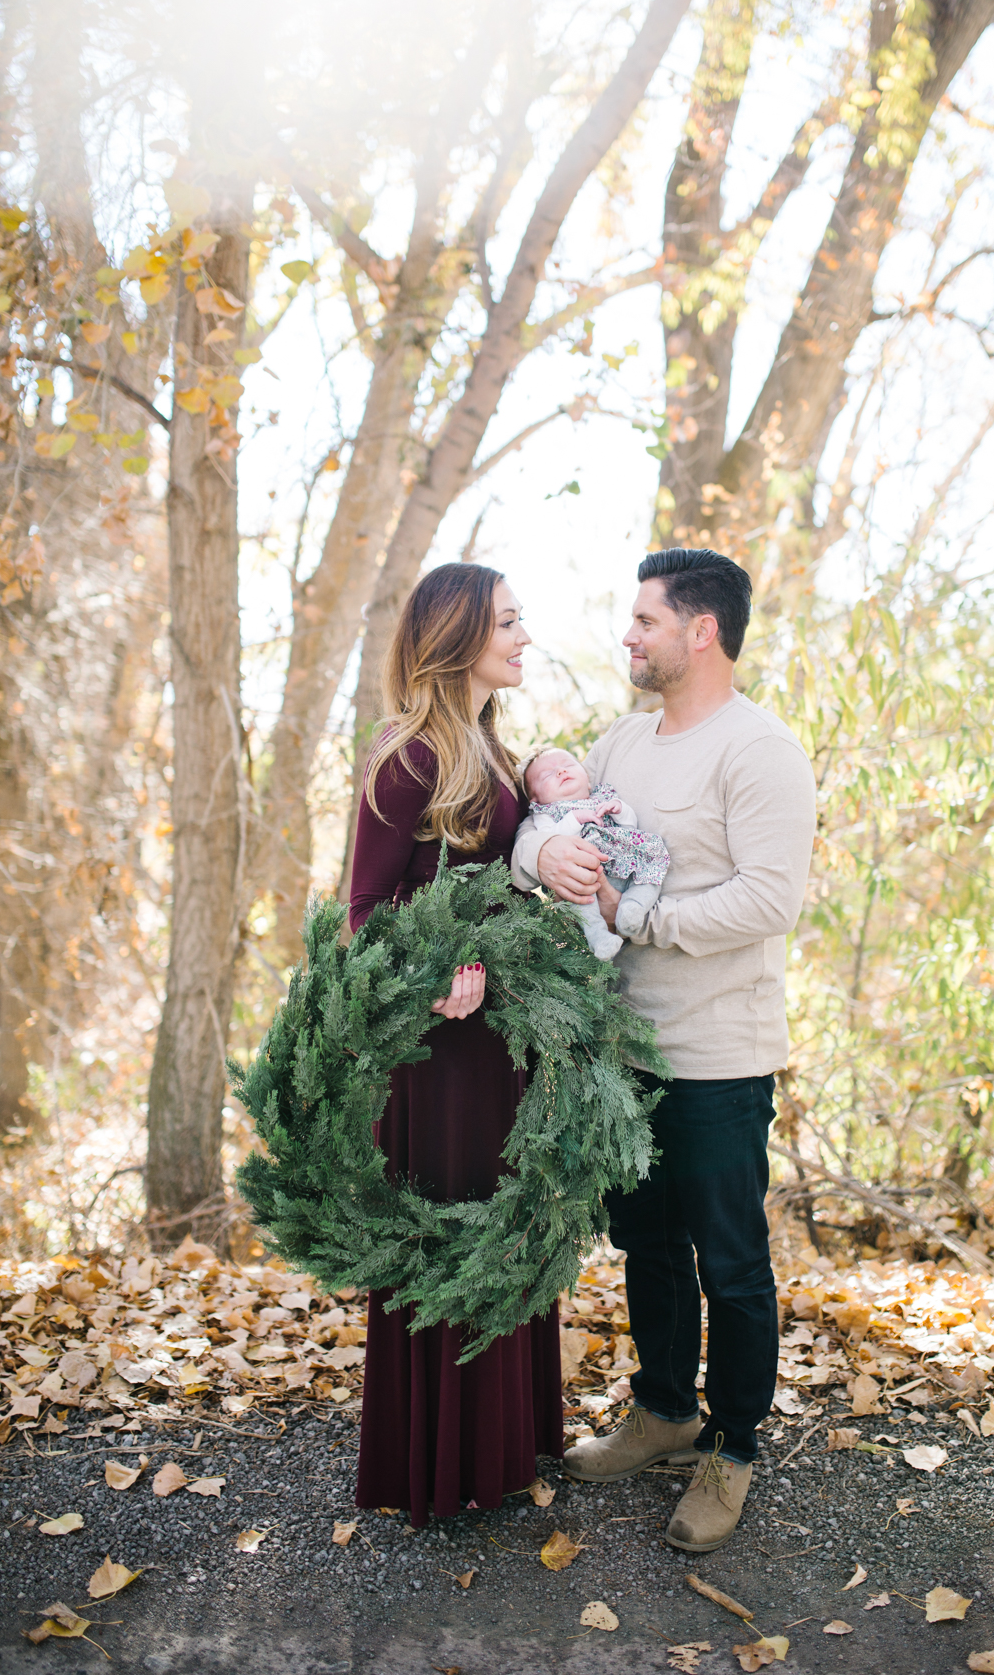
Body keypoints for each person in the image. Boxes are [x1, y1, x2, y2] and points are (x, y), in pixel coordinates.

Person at [511, 547, 816, 1554]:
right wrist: (535, 854)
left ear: (700, 631)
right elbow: (549, 824)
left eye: (645, 620)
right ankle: (662, 1410)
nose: (629, 637)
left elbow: (772, 897)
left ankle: (731, 1447)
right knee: (647, 1244)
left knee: (730, 1260)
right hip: (627, 1053)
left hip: (722, 1054)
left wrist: (643, 920)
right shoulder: (621, 740)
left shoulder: (759, 749)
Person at [349, 562, 562, 1528]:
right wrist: (433, 977)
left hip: (502, 1044)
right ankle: (440, 1460)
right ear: (459, 636)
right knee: (457, 1230)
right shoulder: (409, 758)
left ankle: (501, 1444)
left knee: (506, 1224)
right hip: (440, 1058)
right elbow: (363, 913)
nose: (524, 636)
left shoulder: (493, 748)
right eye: (509, 622)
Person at [518, 745, 670, 960]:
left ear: (588, 779)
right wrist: (574, 819)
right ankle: (599, 937)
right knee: (580, 898)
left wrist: (619, 809)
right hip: (586, 873)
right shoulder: (546, 814)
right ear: (535, 799)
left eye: (568, 765)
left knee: (652, 860)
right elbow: (548, 838)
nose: (561, 771)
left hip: (623, 859)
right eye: (547, 775)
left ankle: (633, 906)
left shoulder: (603, 796)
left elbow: (630, 826)